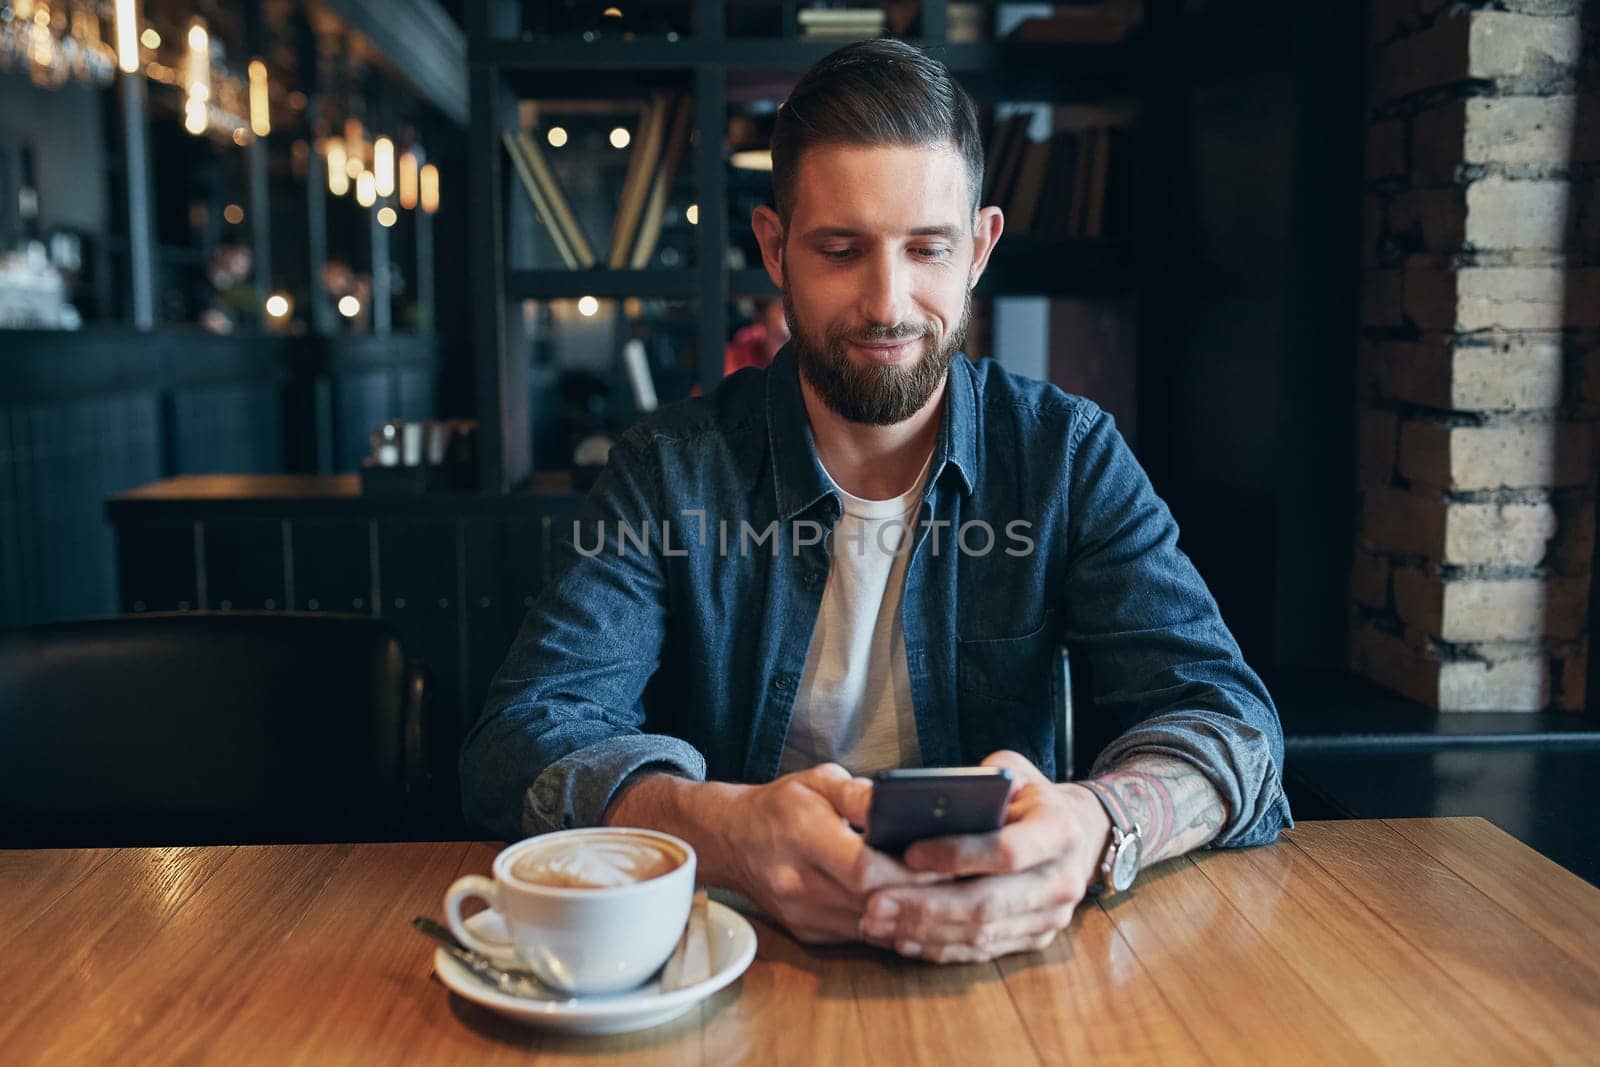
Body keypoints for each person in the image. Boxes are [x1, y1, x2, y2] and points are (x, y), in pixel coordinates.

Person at [462, 39, 1290, 964]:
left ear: (979, 249)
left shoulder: (1067, 456)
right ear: (775, 249)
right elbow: (520, 741)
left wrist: (1101, 825)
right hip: (738, 960)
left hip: (1005, 963)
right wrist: (719, 828)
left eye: (928, 248)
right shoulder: (670, 468)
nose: (887, 303)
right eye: (842, 249)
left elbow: (1233, 728)